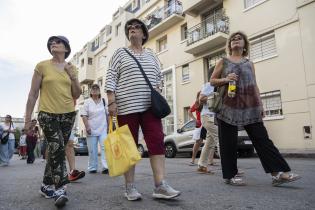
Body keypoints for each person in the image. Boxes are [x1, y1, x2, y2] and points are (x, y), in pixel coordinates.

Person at [210, 31, 301, 186]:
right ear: (229, 45)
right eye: (232, 39)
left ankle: (277, 174)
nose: (235, 40)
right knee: (228, 142)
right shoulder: (223, 62)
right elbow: (212, 81)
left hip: (250, 106)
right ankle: (230, 176)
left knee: (262, 139)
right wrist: (226, 79)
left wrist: (260, 104)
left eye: (239, 38)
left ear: (245, 44)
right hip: (228, 106)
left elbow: (254, 85)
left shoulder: (249, 63)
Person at [106, 18, 180, 201]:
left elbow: (158, 78)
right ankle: (130, 187)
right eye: (129, 27)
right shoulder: (120, 53)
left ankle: (160, 185)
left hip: (150, 107)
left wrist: (158, 90)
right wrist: (111, 101)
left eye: (136, 27)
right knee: (128, 147)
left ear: (144, 33)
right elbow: (111, 77)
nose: (132, 29)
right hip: (125, 107)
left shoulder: (152, 55)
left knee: (156, 142)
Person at [24, 35, 81, 207]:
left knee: (56, 149)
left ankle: (45, 185)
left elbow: (76, 94)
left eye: (57, 42)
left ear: (66, 48)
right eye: (51, 42)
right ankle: (60, 188)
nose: (53, 44)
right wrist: (27, 120)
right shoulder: (42, 66)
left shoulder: (71, 68)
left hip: (68, 114)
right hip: (47, 113)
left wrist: (73, 77)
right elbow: (33, 94)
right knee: (56, 147)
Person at [81, 84, 109, 174]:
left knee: (105, 147)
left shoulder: (104, 101)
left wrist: (109, 126)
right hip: (91, 128)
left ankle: (106, 167)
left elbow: (107, 114)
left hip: (103, 128)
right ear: (90, 91)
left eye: (97, 88)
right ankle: (92, 167)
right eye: (93, 88)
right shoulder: (87, 102)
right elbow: (84, 115)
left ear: (99, 91)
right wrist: (87, 126)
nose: (95, 90)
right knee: (92, 149)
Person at [196, 83, 218, 174]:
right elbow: (201, 98)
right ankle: (231, 168)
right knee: (221, 138)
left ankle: (201, 165)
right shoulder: (210, 84)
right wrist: (217, 97)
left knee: (209, 142)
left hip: (212, 117)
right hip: (208, 116)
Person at [188, 91, 203, 166]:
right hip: (199, 124)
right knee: (198, 142)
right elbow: (189, 111)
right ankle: (193, 160)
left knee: (210, 142)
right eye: (200, 95)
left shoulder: (207, 102)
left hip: (207, 123)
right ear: (198, 96)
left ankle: (210, 161)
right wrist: (195, 119)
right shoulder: (197, 103)